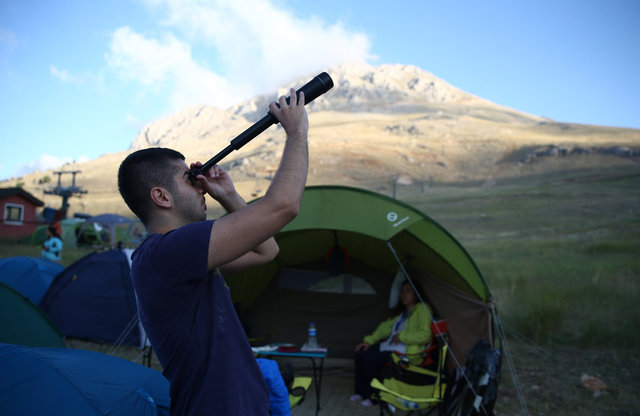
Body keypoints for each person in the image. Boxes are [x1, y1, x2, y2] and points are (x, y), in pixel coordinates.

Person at [117, 88, 308, 415]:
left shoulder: (177, 258)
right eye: (189, 179)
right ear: (162, 197)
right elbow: (284, 206)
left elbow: (266, 250)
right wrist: (297, 131)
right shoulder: (168, 252)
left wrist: (228, 195)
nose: (200, 182)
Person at [351, 280, 432, 406]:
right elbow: (385, 328)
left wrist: (402, 337)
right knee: (361, 352)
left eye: (408, 291)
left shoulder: (423, 309)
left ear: (416, 294)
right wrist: (368, 341)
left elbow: (425, 335)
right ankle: (361, 392)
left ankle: (375, 396)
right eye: (402, 291)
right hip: (392, 346)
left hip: (407, 352)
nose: (404, 294)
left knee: (370, 358)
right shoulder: (402, 314)